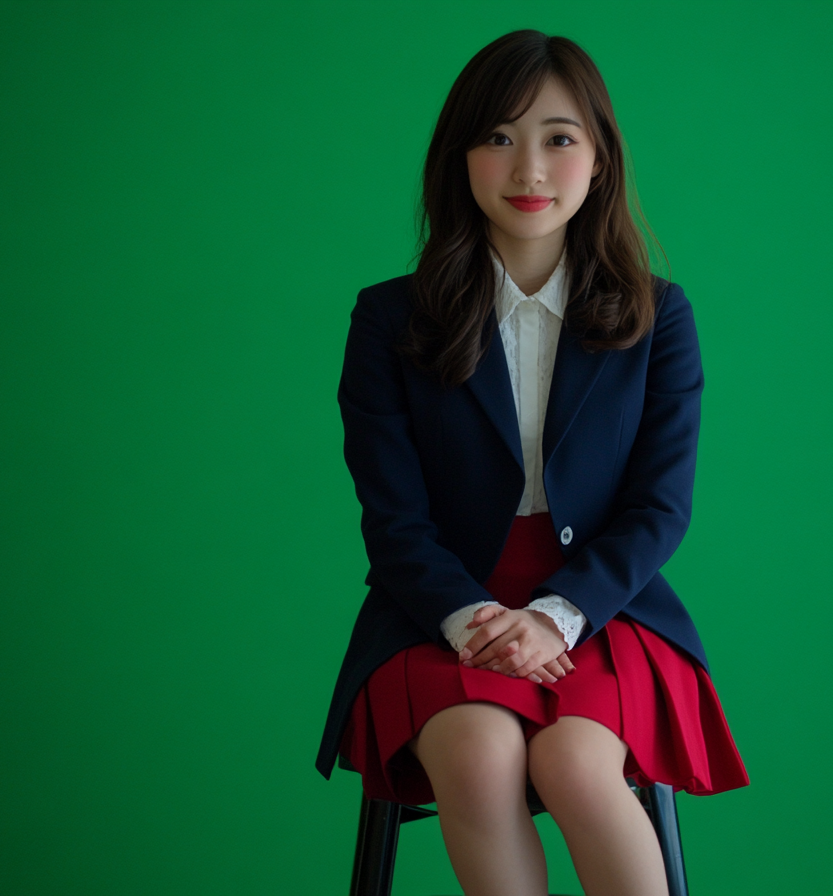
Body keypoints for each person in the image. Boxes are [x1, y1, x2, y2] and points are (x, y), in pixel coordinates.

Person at [316, 29, 748, 896]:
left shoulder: (659, 318)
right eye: (498, 138)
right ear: (460, 157)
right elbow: (393, 519)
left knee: (579, 769)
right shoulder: (387, 321)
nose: (529, 170)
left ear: (599, 160)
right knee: (477, 760)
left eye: (559, 138)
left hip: (605, 605)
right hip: (436, 606)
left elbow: (659, 508)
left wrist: (558, 614)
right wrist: (474, 619)